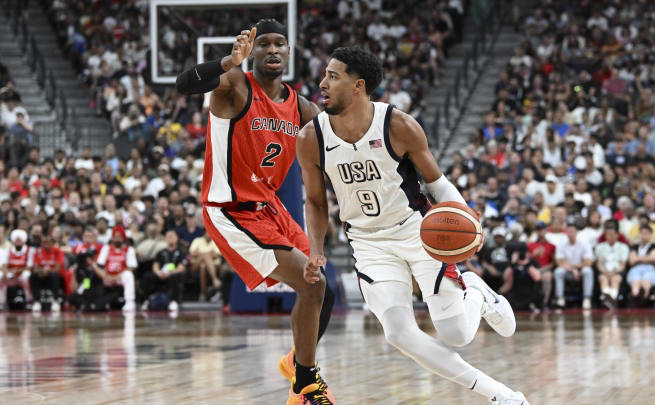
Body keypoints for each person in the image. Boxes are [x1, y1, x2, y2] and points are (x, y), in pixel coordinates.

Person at [297, 47, 529, 404]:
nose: (322, 83)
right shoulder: (311, 138)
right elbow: (314, 201)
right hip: (368, 243)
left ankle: (478, 294)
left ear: (358, 86)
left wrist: (467, 218)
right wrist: (315, 249)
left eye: (333, 76)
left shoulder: (398, 125)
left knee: (456, 334)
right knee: (399, 333)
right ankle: (498, 394)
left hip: (418, 231)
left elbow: (437, 183)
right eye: (325, 74)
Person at [175, 19, 334, 403]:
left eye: (280, 43)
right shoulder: (234, 85)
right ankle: (306, 385)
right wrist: (226, 63)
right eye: (264, 44)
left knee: (323, 291)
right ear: (254, 51)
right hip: (230, 209)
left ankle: (298, 363)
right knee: (312, 285)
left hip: (270, 209)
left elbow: (338, 143)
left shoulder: (303, 107)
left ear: (289, 52)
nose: (273, 50)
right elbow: (183, 84)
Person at [139, 230, 186, 311]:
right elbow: (155, 265)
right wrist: (159, 273)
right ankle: (147, 301)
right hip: (161, 274)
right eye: (168, 237)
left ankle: (173, 301)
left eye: (172, 236)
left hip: (172, 274)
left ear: (176, 238)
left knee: (176, 277)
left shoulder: (181, 252)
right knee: (148, 276)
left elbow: (181, 267)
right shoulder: (161, 252)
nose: (170, 238)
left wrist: (169, 273)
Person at [95, 225, 137, 312]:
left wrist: (116, 277)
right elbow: (99, 266)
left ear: (123, 238)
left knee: (128, 275)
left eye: (119, 236)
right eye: (115, 236)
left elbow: (131, 267)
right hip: (107, 277)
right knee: (94, 274)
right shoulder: (106, 248)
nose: (117, 239)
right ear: (112, 238)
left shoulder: (129, 249)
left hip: (120, 277)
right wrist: (106, 276)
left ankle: (130, 302)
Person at [553, 222, 594, 309]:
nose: (570, 234)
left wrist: (575, 268)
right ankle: (560, 298)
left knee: (588, 271)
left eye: (572, 231)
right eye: (568, 231)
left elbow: (588, 262)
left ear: (576, 232)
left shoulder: (584, 243)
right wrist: (572, 270)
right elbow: (559, 261)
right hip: (568, 270)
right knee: (558, 271)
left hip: (580, 270)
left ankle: (587, 298)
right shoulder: (562, 244)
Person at [594, 220, 629, 308]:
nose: (610, 236)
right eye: (608, 234)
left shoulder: (623, 247)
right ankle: (608, 299)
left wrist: (614, 272)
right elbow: (600, 263)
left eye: (612, 234)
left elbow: (623, 265)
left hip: (617, 271)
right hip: (604, 271)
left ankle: (611, 299)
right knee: (602, 278)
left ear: (617, 235)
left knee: (615, 279)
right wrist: (605, 272)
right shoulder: (600, 247)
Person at [626, 225, 655, 307]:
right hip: (636, 269)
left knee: (646, 280)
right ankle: (635, 296)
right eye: (642, 233)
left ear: (651, 235)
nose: (644, 235)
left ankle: (644, 297)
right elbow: (632, 260)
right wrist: (647, 258)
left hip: (650, 269)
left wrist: (638, 258)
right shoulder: (634, 247)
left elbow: (654, 257)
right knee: (635, 280)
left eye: (646, 233)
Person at [30, 234, 65, 312]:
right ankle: (37, 301)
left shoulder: (57, 251)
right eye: (44, 242)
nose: (46, 244)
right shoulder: (38, 251)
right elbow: (35, 267)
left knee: (55, 275)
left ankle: (55, 301)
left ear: (52, 243)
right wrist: (41, 271)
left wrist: (47, 271)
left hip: (53, 276)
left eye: (48, 242)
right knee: (32, 276)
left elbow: (57, 267)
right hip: (41, 275)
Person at [0, 229, 33, 310]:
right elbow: (3, 265)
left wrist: (17, 271)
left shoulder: (29, 250)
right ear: (13, 240)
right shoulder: (8, 250)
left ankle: (29, 301)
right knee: (0, 276)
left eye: (20, 240)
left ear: (24, 240)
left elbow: (30, 267)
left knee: (26, 275)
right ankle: (2, 302)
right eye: (16, 240)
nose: (18, 242)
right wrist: (6, 272)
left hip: (22, 275)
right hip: (11, 275)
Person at [189, 232, 222, 302]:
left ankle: (202, 294)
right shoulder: (197, 240)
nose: (209, 234)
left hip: (215, 266)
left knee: (203, 266)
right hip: (195, 266)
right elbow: (192, 253)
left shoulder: (216, 240)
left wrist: (201, 254)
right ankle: (214, 278)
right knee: (205, 256)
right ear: (204, 233)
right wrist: (208, 254)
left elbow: (217, 255)